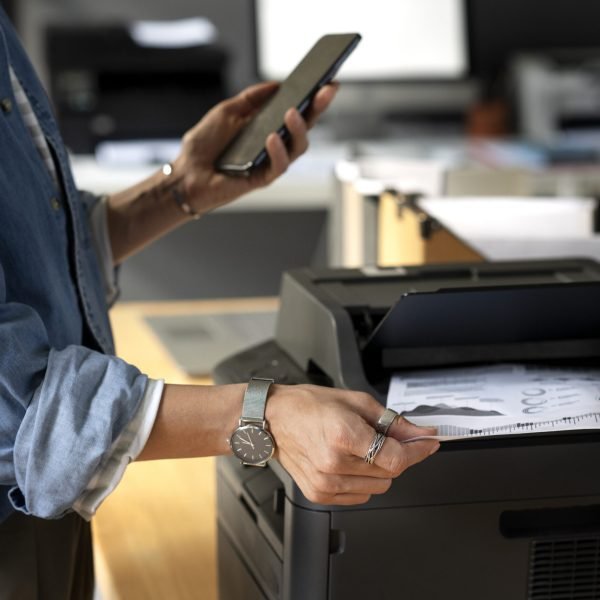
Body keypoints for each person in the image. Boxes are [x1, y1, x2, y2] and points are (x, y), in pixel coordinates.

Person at [0, 6, 440, 599]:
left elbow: (38, 253)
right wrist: (263, 415)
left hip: (50, 504)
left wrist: (179, 189)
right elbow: (11, 402)